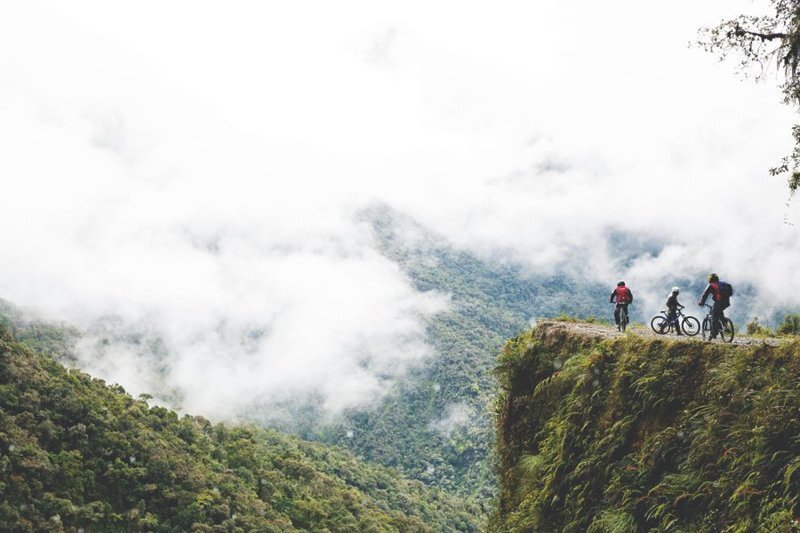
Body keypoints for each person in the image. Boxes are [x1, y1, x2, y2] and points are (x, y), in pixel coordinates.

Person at [699, 273, 729, 338]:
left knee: (714, 317)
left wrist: (702, 302)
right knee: (720, 314)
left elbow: (705, 295)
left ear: (710, 279)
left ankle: (714, 334)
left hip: (719, 302)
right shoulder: (723, 284)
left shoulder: (711, 285)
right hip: (726, 302)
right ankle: (725, 326)